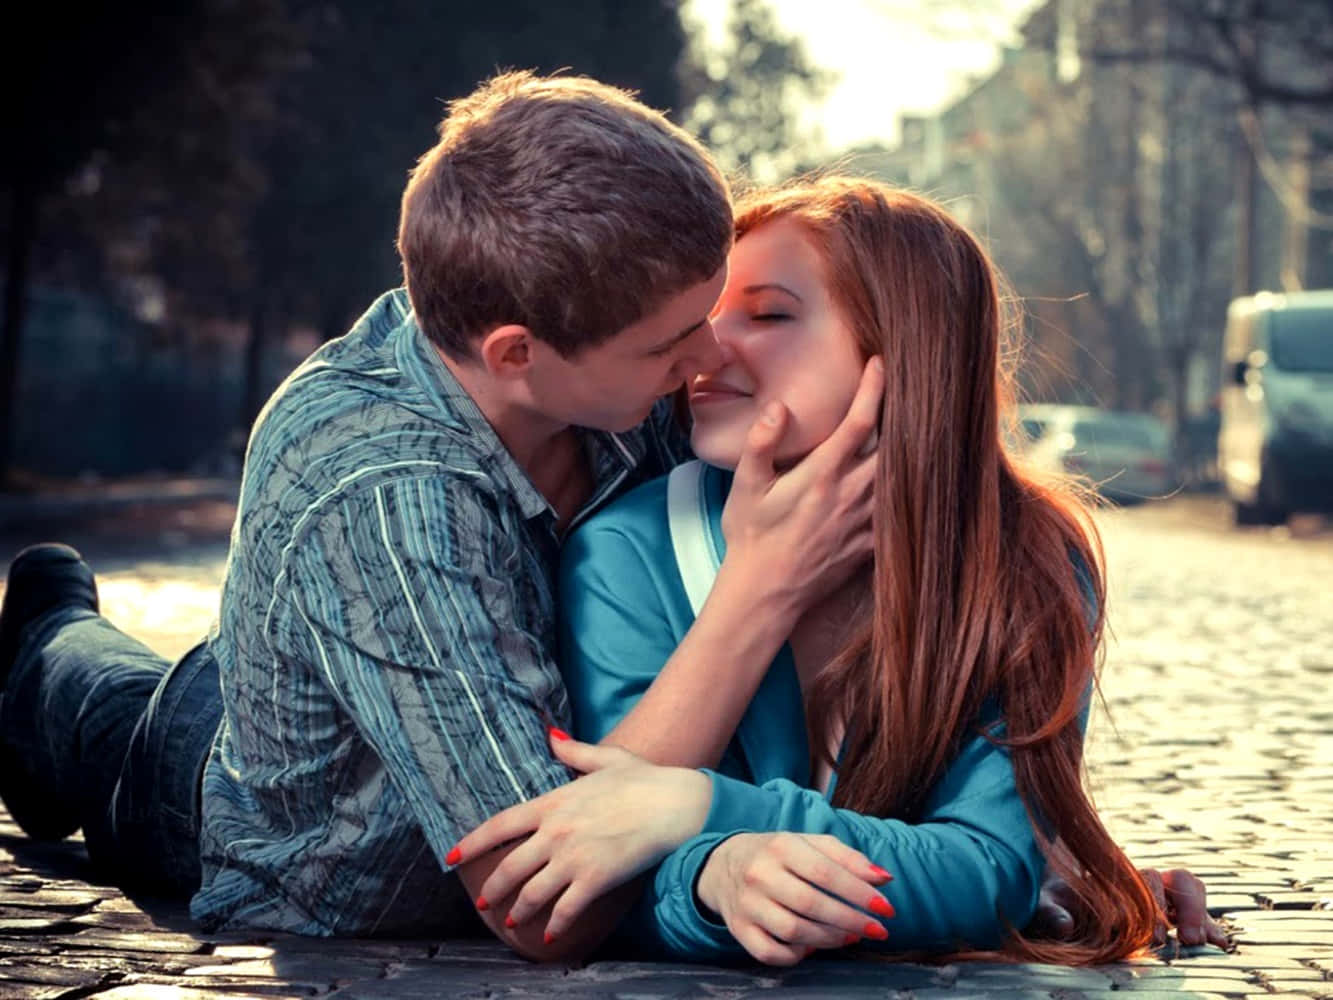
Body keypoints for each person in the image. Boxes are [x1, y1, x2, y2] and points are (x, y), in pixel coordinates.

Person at [0, 72, 883, 962]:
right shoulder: (382, 494)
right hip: (208, 788)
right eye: (668, 345)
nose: (708, 354)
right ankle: (43, 627)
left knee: (133, 686)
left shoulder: (594, 339)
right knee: (83, 693)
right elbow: (533, 899)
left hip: (307, 658)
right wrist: (760, 589)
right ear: (516, 354)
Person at [451, 177, 1231, 965]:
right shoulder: (628, 547)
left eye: (768, 313)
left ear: (909, 345)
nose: (710, 347)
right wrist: (713, 877)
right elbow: (607, 855)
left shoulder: (1030, 557)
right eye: (709, 313)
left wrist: (698, 806)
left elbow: (990, 867)